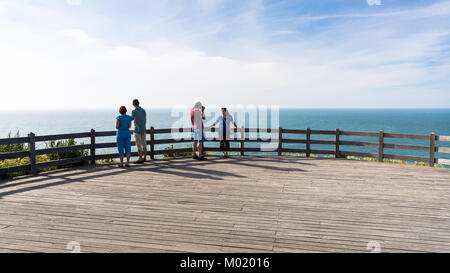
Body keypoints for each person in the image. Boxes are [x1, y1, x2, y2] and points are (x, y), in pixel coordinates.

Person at [131, 99, 147, 164]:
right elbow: (145, 119)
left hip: (137, 130)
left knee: (138, 145)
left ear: (133, 104)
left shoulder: (134, 111)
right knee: (144, 144)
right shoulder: (143, 110)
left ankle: (140, 158)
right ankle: (144, 157)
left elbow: (131, 118)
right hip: (143, 129)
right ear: (138, 103)